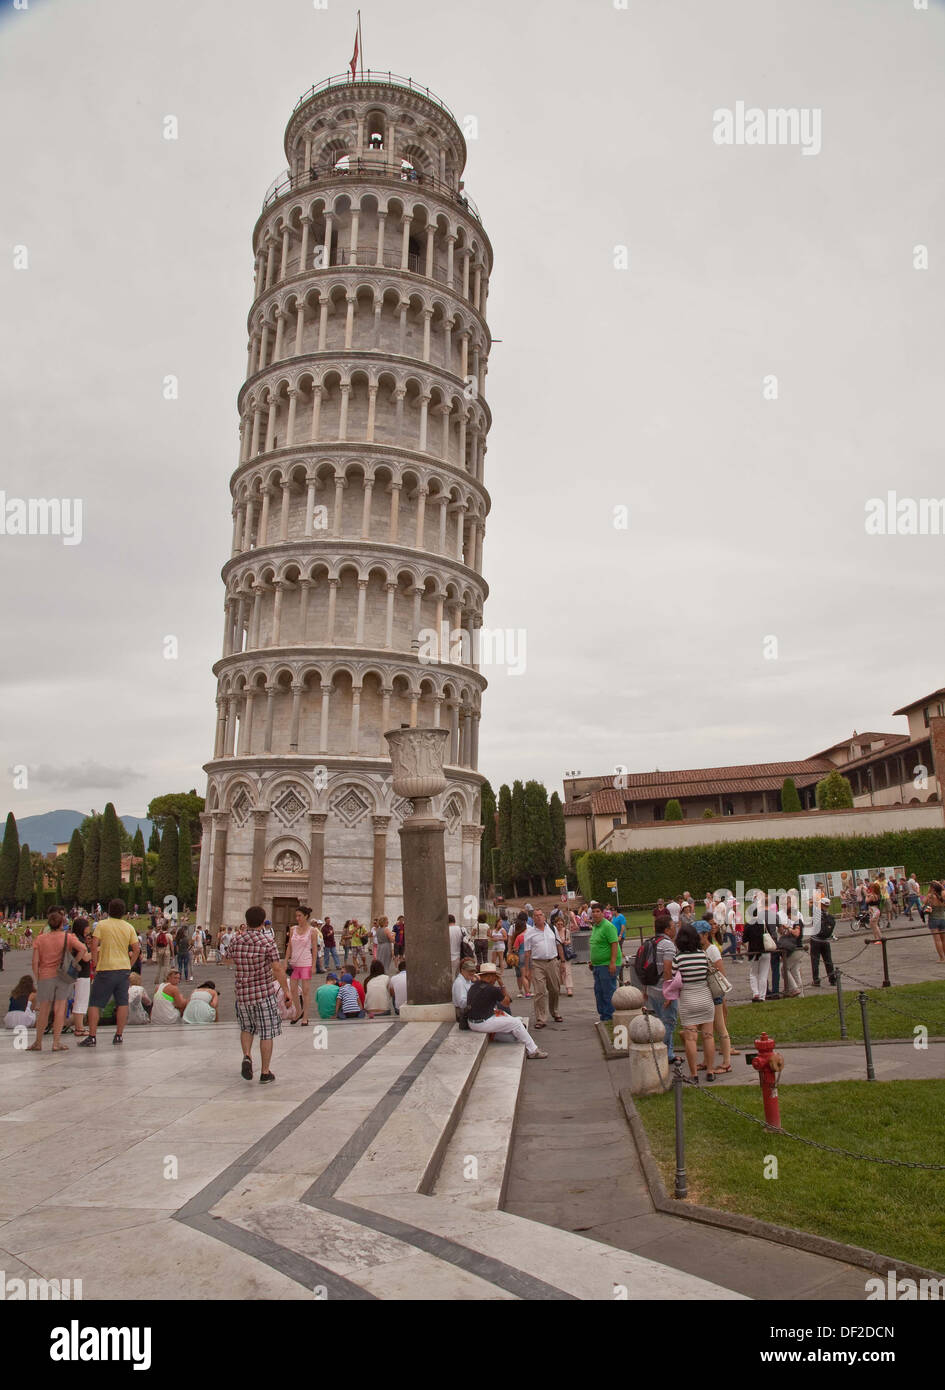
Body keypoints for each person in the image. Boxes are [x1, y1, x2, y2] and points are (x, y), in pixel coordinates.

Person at [222, 905, 291, 1082]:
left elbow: (226, 958)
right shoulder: (267, 942)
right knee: (266, 1033)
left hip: (243, 994)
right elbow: (277, 968)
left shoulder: (237, 940)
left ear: (246, 921)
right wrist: (286, 990)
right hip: (263, 993)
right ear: (263, 921)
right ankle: (265, 1072)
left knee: (246, 1028)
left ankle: (247, 1056)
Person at [28, 908, 91, 1053]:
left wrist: (38, 978)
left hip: (45, 976)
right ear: (62, 924)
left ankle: (38, 1042)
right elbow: (82, 949)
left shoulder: (40, 939)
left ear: (49, 924)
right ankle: (56, 1043)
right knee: (60, 1009)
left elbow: (35, 962)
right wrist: (74, 963)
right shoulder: (67, 937)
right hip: (62, 976)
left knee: (43, 1010)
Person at [79, 899, 140, 1048]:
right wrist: (129, 964)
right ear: (124, 912)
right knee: (122, 1002)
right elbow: (137, 949)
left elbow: (94, 945)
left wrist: (94, 964)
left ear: (109, 911)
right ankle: (119, 1035)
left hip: (106, 968)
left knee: (95, 1003)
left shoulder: (102, 925)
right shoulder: (129, 927)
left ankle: (92, 1036)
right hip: (123, 969)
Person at [466, 963, 546, 1057]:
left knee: (506, 1022)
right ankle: (533, 1051)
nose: (496, 979)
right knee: (516, 1024)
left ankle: (517, 1024)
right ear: (490, 976)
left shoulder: (474, 986)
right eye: (495, 976)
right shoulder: (492, 989)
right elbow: (507, 1002)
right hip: (482, 1023)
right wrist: (501, 983)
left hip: (472, 1023)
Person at [672, 923, 717, 1081]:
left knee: (691, 1039)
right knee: (708, 1036)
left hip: (687, 999)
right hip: (705, 997)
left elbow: (674, 979)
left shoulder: (678, 958)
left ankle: (694, 1073)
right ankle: (710, 1070)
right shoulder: (703, 955)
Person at [640, 912, 679, 1062]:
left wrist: (645, 989)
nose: (675, 929)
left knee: (662, 1020)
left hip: (652, 989)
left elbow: (645, 968)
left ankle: (668, 1055)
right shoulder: (668, 945)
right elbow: (668, 970)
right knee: (669, 1023)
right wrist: (669, 994)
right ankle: (657, 1052)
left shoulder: (650, 942)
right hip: (664, 991)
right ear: (667, 930)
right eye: (673, 926)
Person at [697, 921, 732, 1073]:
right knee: (706, 1030)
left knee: (720, 1028)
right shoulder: (700, 950)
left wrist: (722, 995)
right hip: (705, 993)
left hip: (715, 994)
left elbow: (721, 973)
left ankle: (726, 1062)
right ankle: (706, 1060)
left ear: (705, 935)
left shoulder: (712, 950)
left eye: (698, 935)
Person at [523, 908, 564, 1029]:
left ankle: (554, 1011)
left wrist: (562, 961)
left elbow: (558, 944)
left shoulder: (552, 929)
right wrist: (527, 969)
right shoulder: (529, 933)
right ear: (533, 918)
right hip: (537, 963)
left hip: (552, 961)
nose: (538, 917)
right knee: (540, 991)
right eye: (536, 916)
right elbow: (527, 953)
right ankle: (541, 1018)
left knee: (555, 989)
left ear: (544, 917)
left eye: (540, 915)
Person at [587, 900, 621, 1023]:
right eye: (593, 912)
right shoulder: (596, 927)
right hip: (597, 965)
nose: (595, 914)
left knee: (608, 992)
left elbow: (614, 944)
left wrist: (612, 963)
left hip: (607, 965)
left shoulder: (608, 926)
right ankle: (603, 1016)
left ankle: (609, 1017)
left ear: (602, 913)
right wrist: (592, 961)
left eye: (598, 912)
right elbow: (596, 944)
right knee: (599, 991)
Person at [285, 906, 317, 1026]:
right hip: (294, 963)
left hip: (306, 962)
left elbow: (314, 949)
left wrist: (314, 965)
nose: (297, 918)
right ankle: (298, 1011)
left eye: (299, 916)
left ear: (306, 916)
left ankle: (306, 1016)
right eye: (296, 916)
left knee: (306, 990)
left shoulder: (312, 931)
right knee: (293, 989)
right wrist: (285, 960)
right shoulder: (293, 929)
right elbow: (289, 946)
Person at [68, 917, 93, 1037]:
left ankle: (79, 1027)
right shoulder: (79, 940)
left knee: (80, 1000)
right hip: (82, 974)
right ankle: (79, 1028)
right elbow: (86, 957)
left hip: (81, 974)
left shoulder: (76, 938)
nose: (88, 928)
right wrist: (97, 949)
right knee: (81, 1000)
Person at [809, 902, 838, 987]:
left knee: (815, 961)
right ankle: (832, 979)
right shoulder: (829, 917)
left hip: (815, 940)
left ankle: (816, 980)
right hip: (825, 941)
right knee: (828, 961)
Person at [552, 909, 574, 996]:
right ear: (555, 924)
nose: (560, 926)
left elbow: (569, 941)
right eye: (558, 924)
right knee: (557, 972)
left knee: (567, 971)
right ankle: (558, 988)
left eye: (561, 924)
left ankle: (569, 988)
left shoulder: (566, 931)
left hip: (565, 954)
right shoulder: (553, 932)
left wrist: (566, 942)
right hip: (556, 954)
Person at [452, 956, 478, 1023]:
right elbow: (462, 1003)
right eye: (470, 971)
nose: (472, 973)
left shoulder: (467, 980)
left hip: (468, 1010)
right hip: (463, 1014)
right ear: (462, 970)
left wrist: (477, 982)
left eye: (473, 971)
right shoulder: (459, 983)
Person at [924, 882, 945, 963]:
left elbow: (924, 902)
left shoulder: (930, 896)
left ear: (932, 888)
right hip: (943, 918)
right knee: (944, 939)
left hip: (933, 919)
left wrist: (929, 891)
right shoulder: (943, 893)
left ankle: (942, 958)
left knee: (937, 940)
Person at [447, 913, 463, 977]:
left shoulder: (446, 930)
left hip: (450, 957)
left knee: (451, 977)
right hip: (459, 956)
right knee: (458, 977)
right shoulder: (461, 929)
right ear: (454, 921)